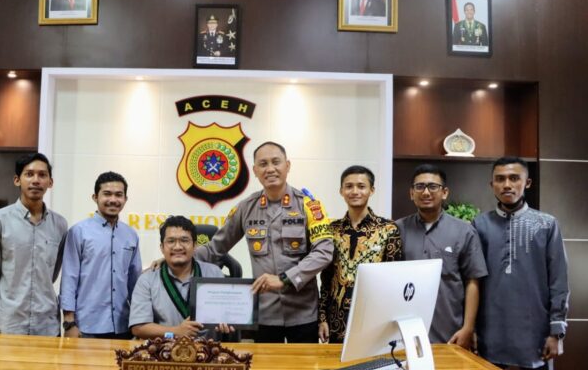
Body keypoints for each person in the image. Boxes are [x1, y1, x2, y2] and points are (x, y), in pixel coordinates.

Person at [195, 141, 334, 343]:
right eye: (263, 164)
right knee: (264, 364)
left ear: (287, 165)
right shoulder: (246, 208)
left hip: (304, 313)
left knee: (303, 364)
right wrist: (174, 259)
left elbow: (324, 252)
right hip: (264, 314)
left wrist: (285, 279)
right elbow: (214, 248)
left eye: (276, 162)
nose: (270, 169)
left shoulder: (310, 206)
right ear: (255, 171)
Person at [473, 157, 569, 370]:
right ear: (492, 185)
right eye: (500, 179)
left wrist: (556, 332)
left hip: (536, 332)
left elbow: (559, 280)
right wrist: (471, 329)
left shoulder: (546, 224)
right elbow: (473, 281)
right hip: (490, 331)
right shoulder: (479, 225)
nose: (507, 184)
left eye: (514, 178)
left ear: (527, 182)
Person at [395, 164, 487, 349]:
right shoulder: (397, 230)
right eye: (419, 187)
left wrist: (468, 328)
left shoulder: (464, 231)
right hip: (404, 333)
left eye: (433, 186)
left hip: (449, 333)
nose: (426, 192)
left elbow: (473, 281)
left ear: (444, 192)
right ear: (411, 193)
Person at [0, 153, 68, 336]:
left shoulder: (60, 224)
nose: (36, 180)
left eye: (42, 175)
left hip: (47, 325)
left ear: (50, 182)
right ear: (17, 180)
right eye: (29, 174)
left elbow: (52, 273)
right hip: (9, 325)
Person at [318, 165, 401, 343]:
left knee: (372, 360)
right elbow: (326, 277)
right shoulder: (332, 229)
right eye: (349, 186)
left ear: (372, 190)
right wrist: (322, 317)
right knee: (336, 361)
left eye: (361, 186)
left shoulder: (388, 229)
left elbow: (394, 279)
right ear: (341, 191)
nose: (355, 191)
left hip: (375, 319)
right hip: (336, 320)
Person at [59, 171, 141, 339]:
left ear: (125, 199)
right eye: (107, 194)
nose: (113, 199)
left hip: (123, 326)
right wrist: (69, 323)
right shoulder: (79, 232)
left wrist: (140, 322)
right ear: (95, 197)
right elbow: (69, 278)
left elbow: (135, 281)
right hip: (86, 327)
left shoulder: (131, 235)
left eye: (118, 195)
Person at [129, 216, 234, 340]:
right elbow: (138, 328)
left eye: (184, 240)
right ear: (162, 247)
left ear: (195, 246)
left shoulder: (214, 273)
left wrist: (228, 320)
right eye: (171, 241)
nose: (178, 247)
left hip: (208, 349)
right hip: (165, 349)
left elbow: (228, 314)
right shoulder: (147, 280)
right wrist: (175, 332)